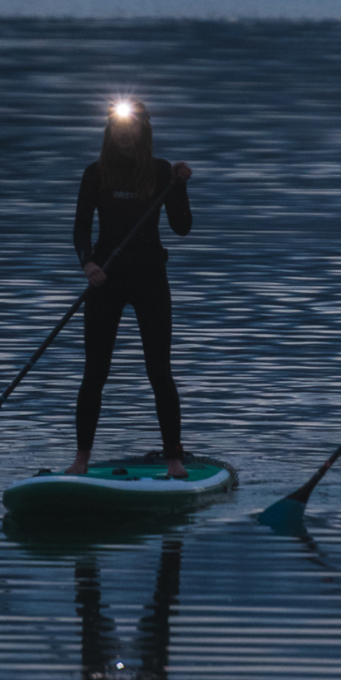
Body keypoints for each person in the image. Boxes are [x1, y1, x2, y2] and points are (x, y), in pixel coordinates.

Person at [68, 99, 195, 480]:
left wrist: (180, 187)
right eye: (118, 124)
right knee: (95, 372)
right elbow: (79, 230)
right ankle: (81, 459)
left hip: (150, 280)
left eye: (133, 124)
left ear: (143, 129)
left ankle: (175, 460)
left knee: (159, 371)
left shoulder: (161, 172)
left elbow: (183, 228)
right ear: (110, 128)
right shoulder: (95, 173)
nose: (125, 131)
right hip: (106, 279)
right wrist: (88, 263)